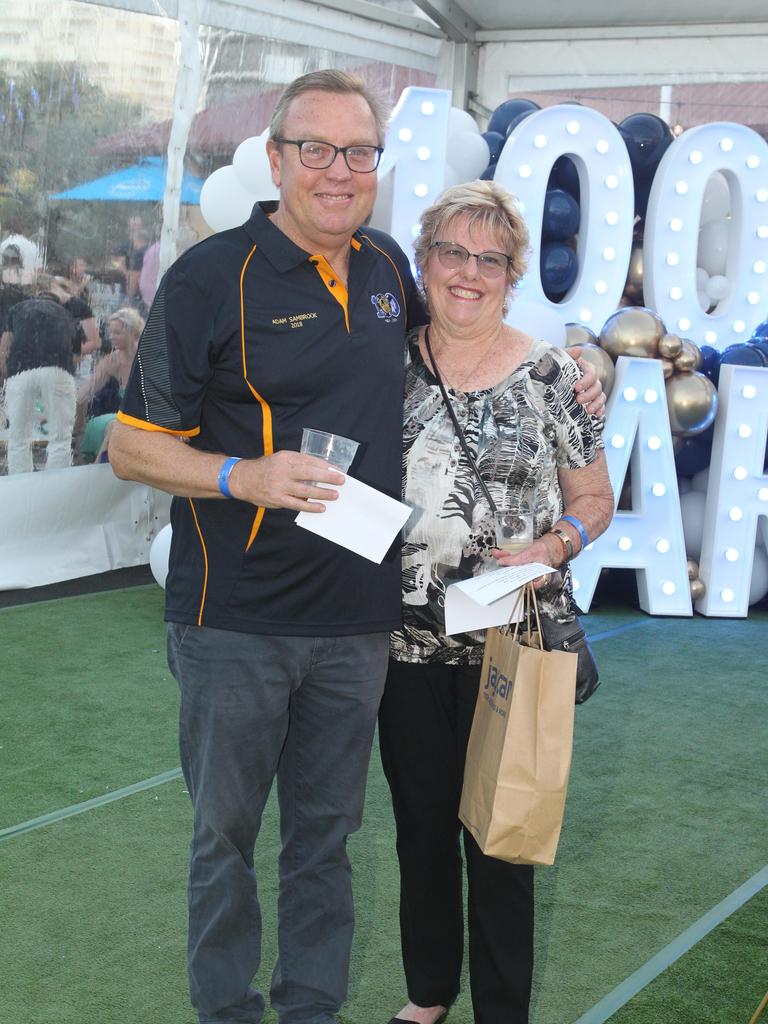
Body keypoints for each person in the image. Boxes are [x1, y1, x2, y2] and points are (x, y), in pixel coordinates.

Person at [107, 70, 604, 1024]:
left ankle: (310, 1013)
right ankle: (229, 1013)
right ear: (278, 159)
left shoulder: (382, 271)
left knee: (325, 843)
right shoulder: (211, 276)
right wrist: (239, 476)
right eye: (317, 150)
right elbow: (132, 445)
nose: (339, 171)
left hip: (362, 627)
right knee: (224, 840)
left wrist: (587, 360)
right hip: (235, 618)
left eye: (359, 153)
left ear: (378, 165)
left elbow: (475, 329)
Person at [378, 181, 614, 1024]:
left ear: (512, 274)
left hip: (515, 642)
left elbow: (595, 498)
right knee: (421, 832)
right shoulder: (385, 363)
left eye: (490, 258)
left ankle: (501, 1011)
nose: (468, 272)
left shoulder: (556, 375)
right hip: (403, 647)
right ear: (425, 260)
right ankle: (429, 995)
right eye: (452, 252)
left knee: (503, 840)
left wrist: (556, 545)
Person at [1, 289, 82, 474]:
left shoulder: (17, 309)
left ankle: (20, 484)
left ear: (35, 298)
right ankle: (55, 488)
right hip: (58, 370)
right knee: (60, 438)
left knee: (18, 437)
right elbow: (76, 358)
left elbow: (4, 347)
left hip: (20, 371)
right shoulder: (68, 316)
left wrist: (8, 377)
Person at [78, 307, 145, 463]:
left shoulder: (147, 358)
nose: (111, 337)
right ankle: (95, 472)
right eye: (111, 332)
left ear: (134, 334)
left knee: (117, 427)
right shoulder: (111, 361)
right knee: (114, 426)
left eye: (117, 333)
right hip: (118, 419)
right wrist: (77, 424)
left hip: (144, 418)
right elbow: (85, 392)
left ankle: (95, 474)